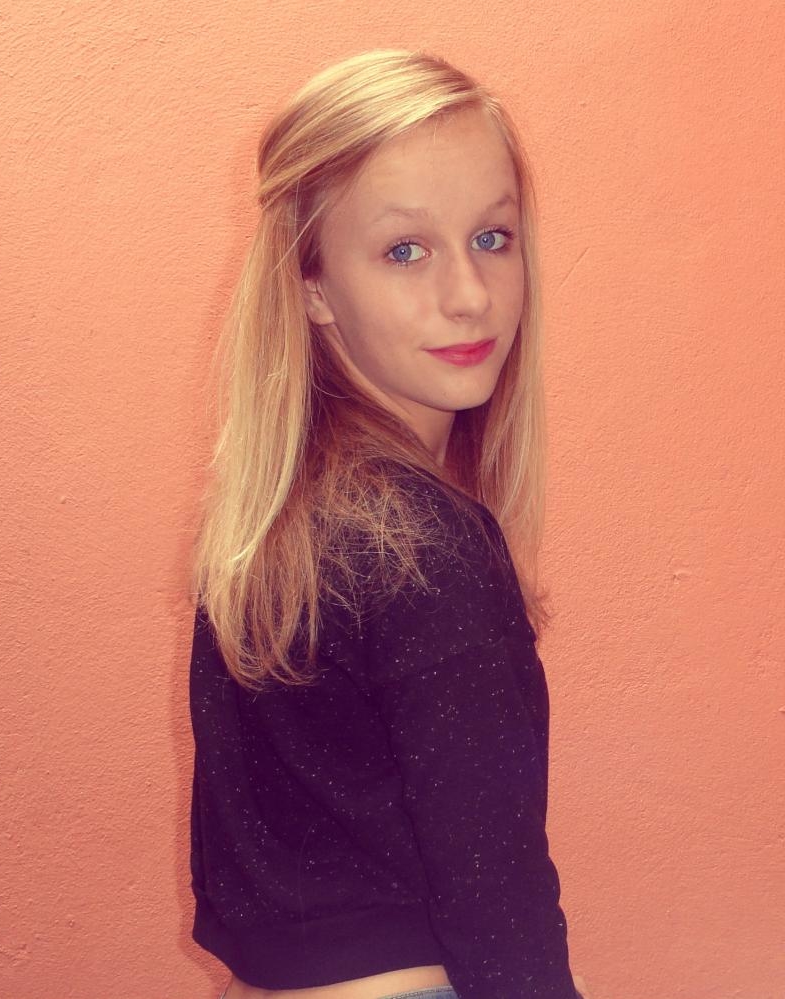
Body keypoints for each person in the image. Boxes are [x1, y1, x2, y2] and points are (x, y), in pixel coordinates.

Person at [188, 48, 583, 999]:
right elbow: (502, 915)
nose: (469, 294)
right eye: (406, 250)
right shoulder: (424, 549)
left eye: (491, 236)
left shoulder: (279, 527)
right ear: (313, 285)